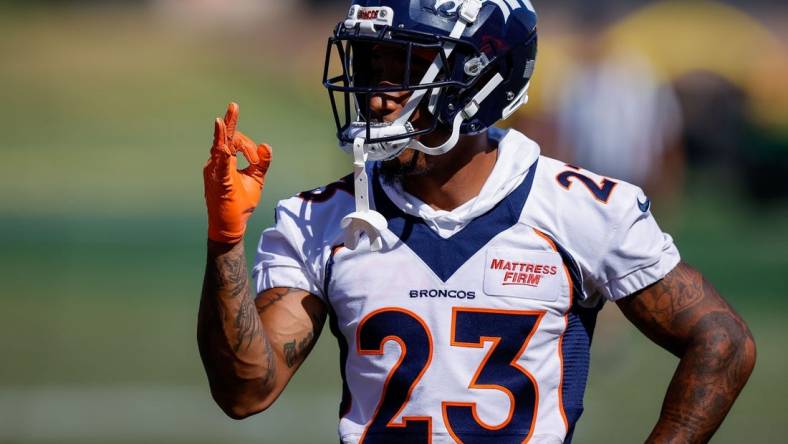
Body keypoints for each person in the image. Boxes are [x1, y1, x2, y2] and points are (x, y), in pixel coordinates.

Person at [198, 1, 755, 443]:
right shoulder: (321, 219)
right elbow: (246, 392)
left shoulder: (576, 209)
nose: (375, 98)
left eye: (405, 68)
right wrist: (225, 242)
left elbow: (721, 340)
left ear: (481, 79)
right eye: (369, 66)